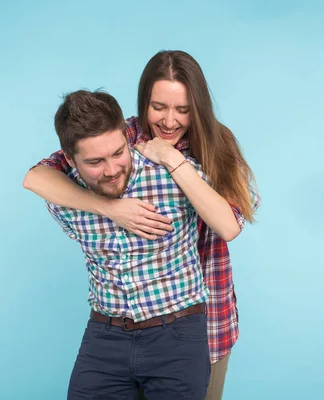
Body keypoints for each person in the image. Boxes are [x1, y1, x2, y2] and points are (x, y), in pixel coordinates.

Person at [23, 50, 260, 400]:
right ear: (143, 102)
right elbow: (38, 177)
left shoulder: (216, 146)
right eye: (158, 107)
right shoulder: (120, 135)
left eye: (183, 109)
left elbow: (228, 226)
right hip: (121, 322)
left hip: (204, 314)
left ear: (199, 108)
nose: (169, 120)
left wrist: (171, 157)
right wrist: (112, 208)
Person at [42, 89, 218, 399]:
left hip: (176, 333)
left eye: (117, 153)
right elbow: (34, 179)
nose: (111, 170)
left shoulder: (173, 176)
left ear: (126, 135)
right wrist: (107, 207)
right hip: (105, 335)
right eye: (95, 162)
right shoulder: (64, 198)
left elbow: (237, 213)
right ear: (69, 159)